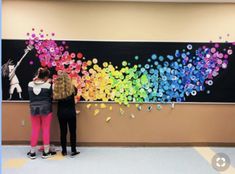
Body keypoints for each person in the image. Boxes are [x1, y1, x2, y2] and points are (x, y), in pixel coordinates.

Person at [27, 67, 56, 159]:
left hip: (33, 109)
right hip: (46, 110)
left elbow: (36, 84)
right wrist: (50, 83)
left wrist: (38, 79)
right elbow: (52, 96)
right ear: (46, 77)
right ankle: (46, 152)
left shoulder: (30, 84)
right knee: (46, 130)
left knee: (35, 130)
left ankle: (32, 153)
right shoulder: (48, 85)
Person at [53, 71, 80, 157]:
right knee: (72, 132)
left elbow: (54, 98)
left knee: (63, 132)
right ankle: (73, 150)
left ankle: (64, 151)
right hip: (71, 113)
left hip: (61, 114)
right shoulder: (72, 88)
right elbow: (76, 94)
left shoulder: (57, 90)